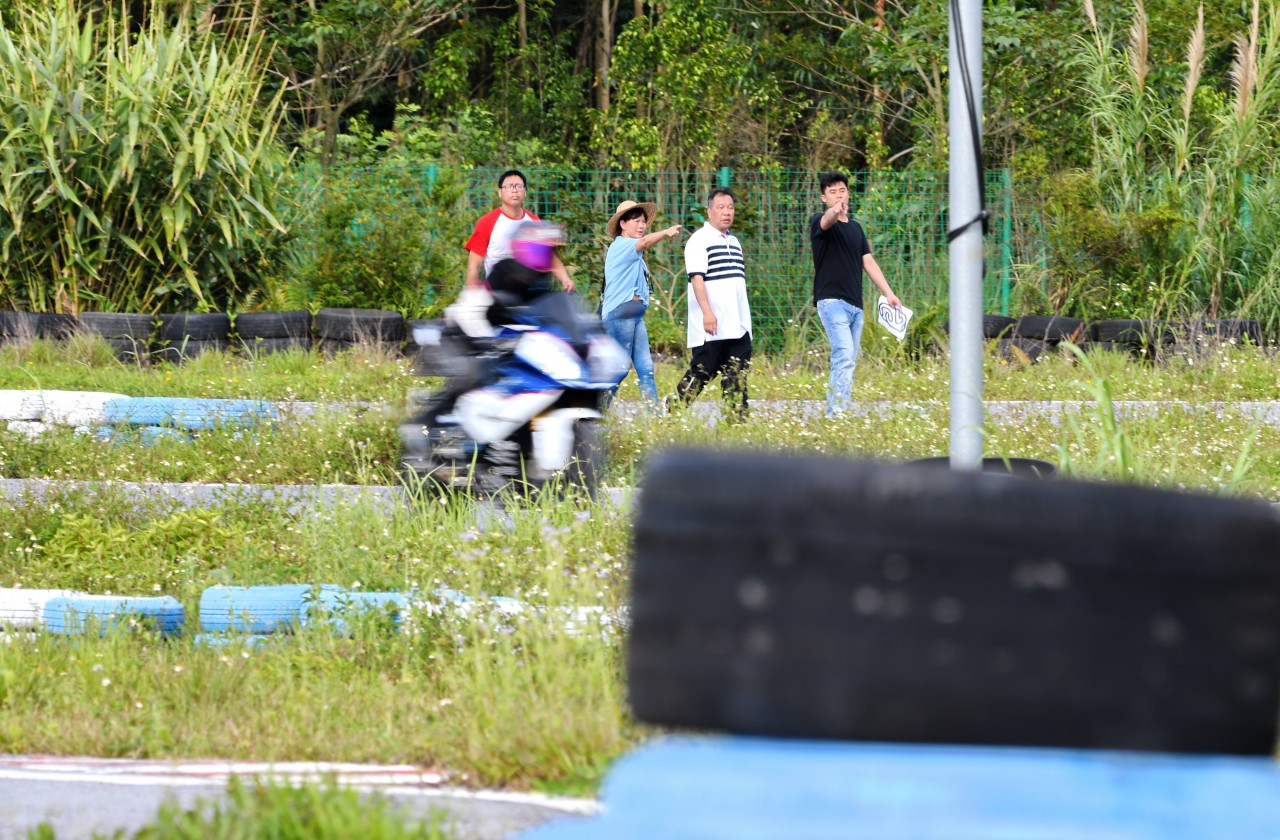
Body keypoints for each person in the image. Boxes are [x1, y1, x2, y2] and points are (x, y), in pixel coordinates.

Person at [810, 171, 901, 417]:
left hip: (855, 306)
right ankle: (836, 413)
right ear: (823, 197)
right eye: (832, 192)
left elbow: (868, 262)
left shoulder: (857, 229)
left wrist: (889, 293)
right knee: (844, 355)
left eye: (842, 190)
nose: (838, 195)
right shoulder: (819, 222)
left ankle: (839, 407)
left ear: (848, 193)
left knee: (848, 357)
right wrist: (834, 211)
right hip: (831, 302)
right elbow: (828, 220)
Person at [672, 187, 752, 420]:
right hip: (712, 324)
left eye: (730, 207)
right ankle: (674, 407)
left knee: (737, 371)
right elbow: (697, 278)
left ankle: (735, 418)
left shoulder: (735, 241)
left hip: (737, 324)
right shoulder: (699, 240)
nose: (726, 212)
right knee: (703, 370)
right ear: (709, 211)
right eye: (720, 207)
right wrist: (707, 312)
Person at [602, 199, 682, 407]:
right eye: (636, 221)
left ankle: (654, 417)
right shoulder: (621, 246)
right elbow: (645, 242)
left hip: (634, 315)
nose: (641, 226)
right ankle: (592, 412)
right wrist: (665, 232)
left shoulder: (637, 256)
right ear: (623, 224)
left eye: (644, 222)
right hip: (620, 313)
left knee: (646, 367)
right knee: (619, 368)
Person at [464, 169, 574, 292]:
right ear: (500, 192)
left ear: (525, 192)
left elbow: (549, 257)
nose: (514, 190)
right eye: (509, 186)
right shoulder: (487, 222)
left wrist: (565, 279)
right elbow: (474, 264)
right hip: (498, 293)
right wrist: (472, 288)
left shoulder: (534, 222)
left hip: (530, 292)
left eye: (519, 186)